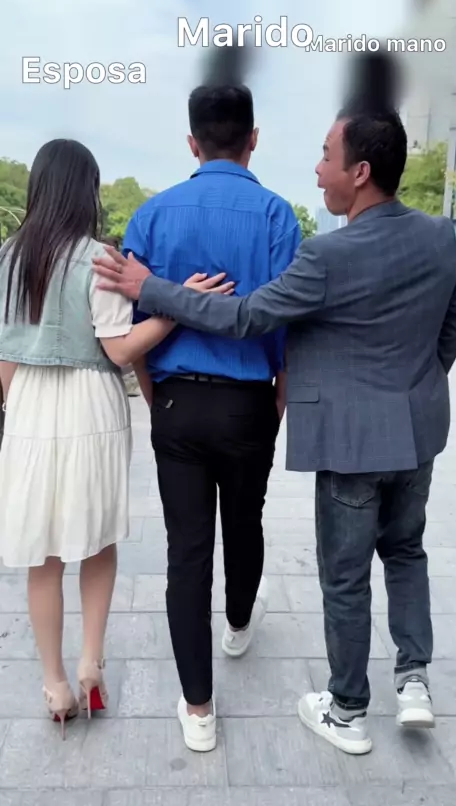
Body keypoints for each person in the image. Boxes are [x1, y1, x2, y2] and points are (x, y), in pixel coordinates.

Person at [93, 52, 456, 756]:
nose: (318, 169)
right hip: (344, 422)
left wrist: (153, 305)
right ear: (253, 139)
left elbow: (232, 319)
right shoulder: (411, 234)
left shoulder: (172, 220)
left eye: (327, 156)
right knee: (384, 546)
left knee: (239, 559)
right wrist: (408, 387)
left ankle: (273, 709)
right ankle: (397, 674)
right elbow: (447, 326)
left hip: (237, 419)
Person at [0, 138, 231, 738]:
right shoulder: (99, 260)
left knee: (42, 553)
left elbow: (4, 358)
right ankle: (91, 665)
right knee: (96, 542)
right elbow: (121, 350)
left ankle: (54, 684)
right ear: (88, 191)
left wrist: (15, 411)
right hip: (90, 405)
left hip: (28, 405)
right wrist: (179, 306)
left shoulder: (8, 258)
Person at [108, 49, 301, 753]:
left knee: (186, 550)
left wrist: (155, 395)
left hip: (176, 405)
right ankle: (240, 623)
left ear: (192, 142)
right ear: (254, 139)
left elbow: (133, 324)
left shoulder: (152, 217)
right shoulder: (278, 216)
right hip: (249, 403)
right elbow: (288, 324)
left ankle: (197, 708)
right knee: (244, 523)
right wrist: (276, 401)